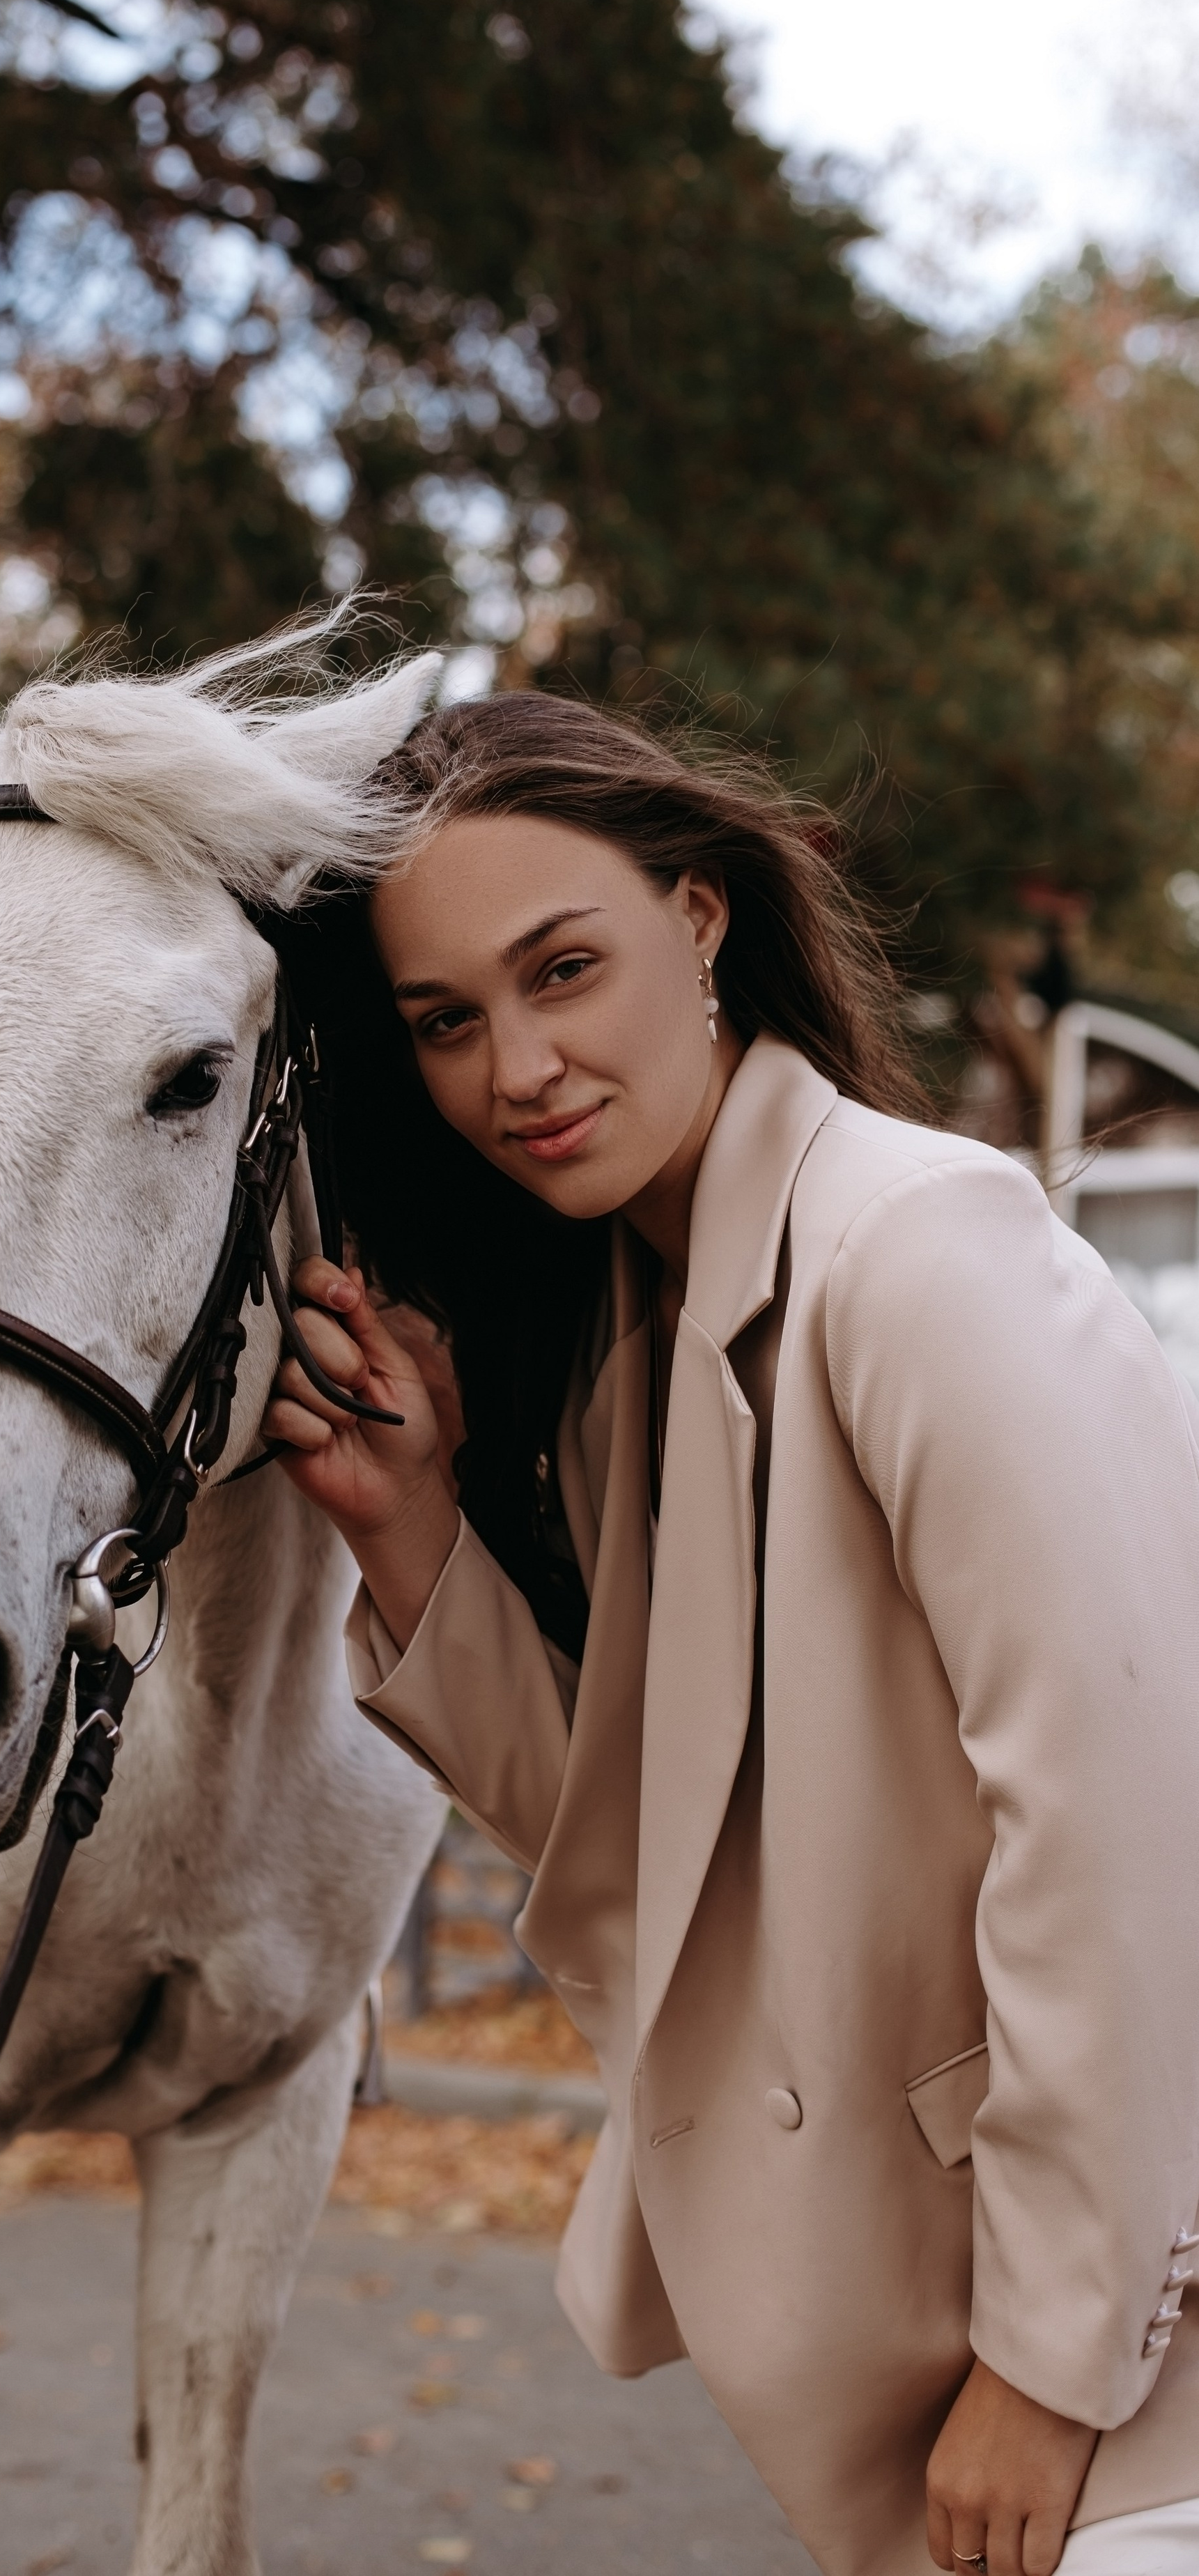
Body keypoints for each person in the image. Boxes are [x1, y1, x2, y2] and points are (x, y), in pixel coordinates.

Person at [263, 690, 1199, 2576]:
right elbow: (649, 1868)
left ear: (700, 918)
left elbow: (1129, 1825)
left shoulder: (913, 1249)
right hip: (912, 2350)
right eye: (447, 1021)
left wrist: (1055, 2356)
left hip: (1111, 2380)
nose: (519, 1068)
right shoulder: (642, 1356)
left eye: (563, 970)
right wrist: (416, 1536)